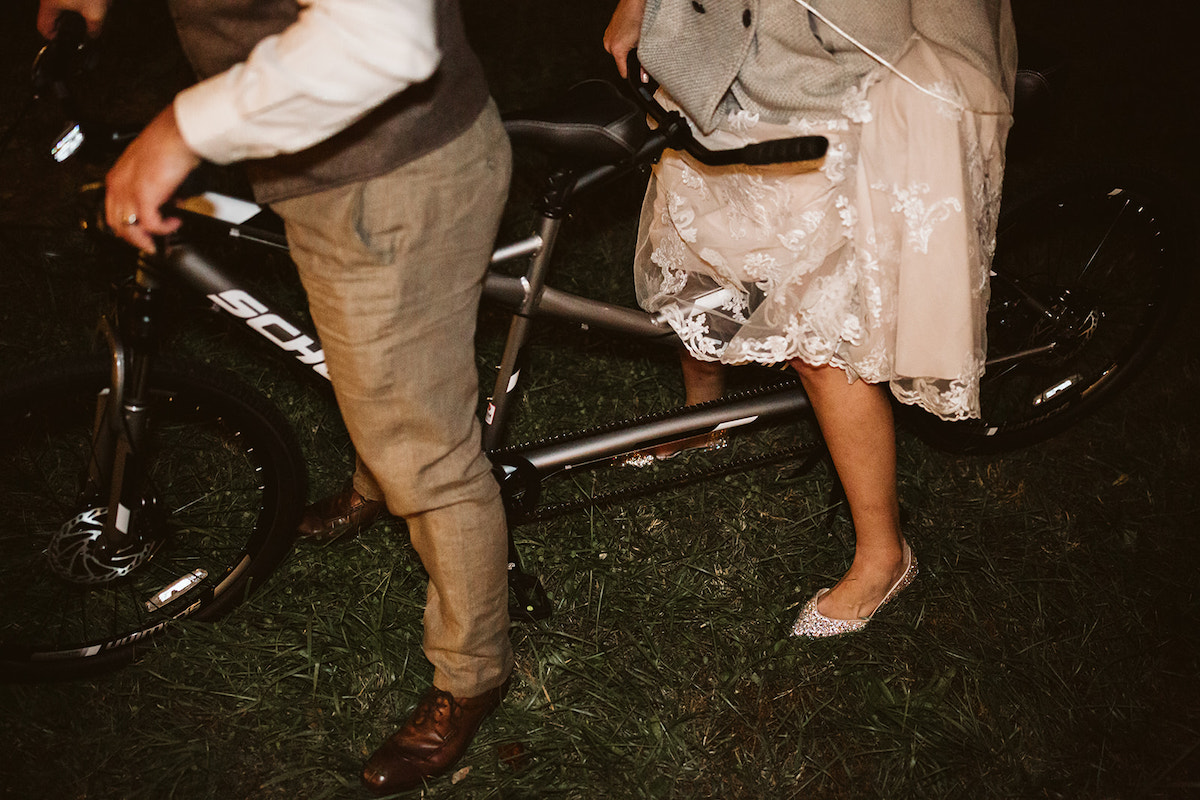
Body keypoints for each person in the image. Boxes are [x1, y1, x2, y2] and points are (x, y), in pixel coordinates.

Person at [38, 0, 513, 792]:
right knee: (377, 376)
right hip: (327, 171)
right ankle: (375, 479)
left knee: (427, 455)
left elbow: (383, 34)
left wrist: (180, 129)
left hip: (386, 174)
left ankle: (473, 674)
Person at [605, 0, 1016, 636]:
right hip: (718, 53)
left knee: (821, 341)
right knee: (704, 250)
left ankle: (884, 554)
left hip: (845, 72)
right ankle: (702, 421)